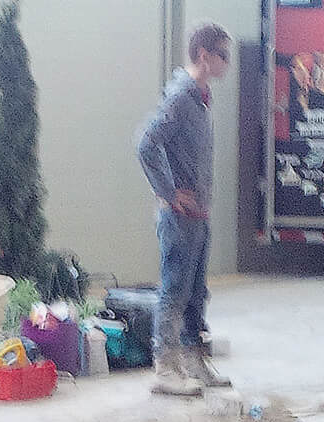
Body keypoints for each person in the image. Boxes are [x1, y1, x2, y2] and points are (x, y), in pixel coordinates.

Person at [138, 23, 234, 398]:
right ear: (204, 56)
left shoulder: (201, 98)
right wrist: (168, 192)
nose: (227, 63)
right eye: (223, 55)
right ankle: (165, 367)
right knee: (174, 289)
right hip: (179, 218)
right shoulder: (181, 97)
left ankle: (194, 359)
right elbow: (147, 143)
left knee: (196, 291)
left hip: (199, 216)